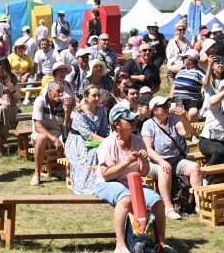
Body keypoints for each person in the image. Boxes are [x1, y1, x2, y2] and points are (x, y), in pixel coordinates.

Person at [95, 105, 177, 253]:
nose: (133, 121)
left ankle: (161, 244)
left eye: (133, 118)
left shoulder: (137, 140)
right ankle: (120, 246)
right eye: (128, 119)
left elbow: (143, 173)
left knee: (158, 202)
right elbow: (106, 174)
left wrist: (145, 162)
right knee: (126, 199)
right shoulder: (107, 144)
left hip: (132, 181)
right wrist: (126, 162)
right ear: (116, 124)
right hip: (107, 183)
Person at [141, 96, 201, 219]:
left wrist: (184, 117)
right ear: (154, 109)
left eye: (167, 105)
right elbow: (148, 149)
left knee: (195, 167)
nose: (166, 108)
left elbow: (188, 132)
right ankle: (168, 208)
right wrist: (161, 161)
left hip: (175, 159)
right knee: (165, 170)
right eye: (163, 106)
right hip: (155, 161)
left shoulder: (174, 121)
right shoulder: (148, 125)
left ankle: (198, 205)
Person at [65, 85, 108, 194]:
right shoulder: (79, 112)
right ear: (86, 97)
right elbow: (88, 135)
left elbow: (103, 130)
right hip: (77, 141)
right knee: (92, 153)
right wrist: (108, 142)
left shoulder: (102, 110)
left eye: (98, 96)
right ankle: (87, 186)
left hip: (94, 140)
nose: (97, 98)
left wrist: (106, 143)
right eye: (94, 96)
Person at [199, 77, 224, 185]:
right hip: (207, 140)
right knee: (220, 151)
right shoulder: (215, 100)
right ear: (222, 89)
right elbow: (212, 102)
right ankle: (208, 178)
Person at [29, 80, 70, 186]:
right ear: (49, 91)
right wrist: (54, 139)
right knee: (42, 137)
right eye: (58, 91)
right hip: (41, 134)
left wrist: (67, 112)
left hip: (57, 133)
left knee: (71, 139)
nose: (61, 94)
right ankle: (36, 174)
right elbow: (38, 126)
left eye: (62, 92)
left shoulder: (63, 103)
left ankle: (61, 168)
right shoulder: (40, 100)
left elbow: (67, 127)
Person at [0, 57, 21, 161]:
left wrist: (12, 90)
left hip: (11, 109)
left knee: (2, 110)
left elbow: (18, 98)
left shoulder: (12, 78)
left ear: (3, 66)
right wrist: (1, 102)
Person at [170, 49, 205, 123]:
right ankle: (178, 130)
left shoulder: (199, 71)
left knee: (193, 113)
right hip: (178, 97)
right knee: (173, 110)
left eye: (184, 58)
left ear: (191, 60)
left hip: (192, 98)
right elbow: (174, 84)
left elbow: (207, 83)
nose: (183, 59)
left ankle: (191, 131)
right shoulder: (182, 69)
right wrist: (170, 97)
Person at [8, 40, 35, 105]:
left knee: (30, 81)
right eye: (19, 47)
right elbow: (8, 69)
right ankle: (15, 97)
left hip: (26, 74)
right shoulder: (10, 57)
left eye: (22, 47)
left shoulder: (28, 57)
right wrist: (16, 76)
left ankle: (26, 99)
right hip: (13, 74)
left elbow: (31, 70)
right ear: (15, 49)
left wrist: (25, 75)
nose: (21, 49)